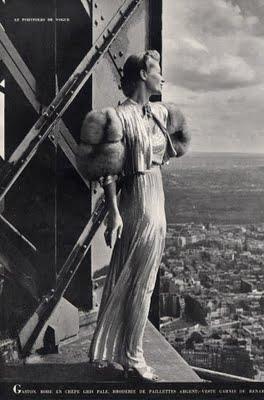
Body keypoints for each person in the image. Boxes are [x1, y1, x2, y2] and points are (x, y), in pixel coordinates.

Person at [77, 50, 190, 381]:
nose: (162, 78)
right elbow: (107, 170)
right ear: (143, 74)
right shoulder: (117, 117)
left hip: (157, 199)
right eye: (157, 71)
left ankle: (117, 351)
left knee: (139, 280)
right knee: (138, 283)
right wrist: (113, 211)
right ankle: (133, 357)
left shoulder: (158, 113)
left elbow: (172, 147)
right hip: (137, 202)